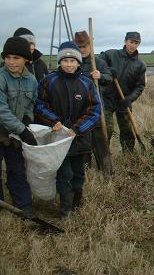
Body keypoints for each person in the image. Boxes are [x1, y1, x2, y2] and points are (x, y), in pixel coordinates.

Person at [35, 41, 100, 218]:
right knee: (65, 174)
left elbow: (94, 111)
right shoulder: (49, 81)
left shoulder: (87, 84)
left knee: (78, 173)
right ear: (60, 62)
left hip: (80, 139)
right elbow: (40, 104)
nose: (69, 65)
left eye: (73, 61)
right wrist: (53, 120)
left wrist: (77, 129)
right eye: (65, 61)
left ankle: (77, 203)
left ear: (79, 62)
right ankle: (66, 210)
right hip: (58, 139)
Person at [0, 36, 38, 214]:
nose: (11, 62)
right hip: (3, 131)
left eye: (16, 58)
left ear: (26, 60)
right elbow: (2, 110)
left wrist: (27, 120)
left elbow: (31, 104)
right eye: (8, 57)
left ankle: (24, 207)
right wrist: (22, 130)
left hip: (15, 134)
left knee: (17, 169)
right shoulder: (1, 78)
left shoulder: (31, 80)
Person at [74, 31, 113, 175]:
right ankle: (85, 172)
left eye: (85, 46)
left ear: (90, 45)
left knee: (101, 142)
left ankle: (107, 173)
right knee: (82, 143)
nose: (83, 49)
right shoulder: (73, 63)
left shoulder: (98, 63)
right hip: (79, 112)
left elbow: (109, 78)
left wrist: (100, 75)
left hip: (96, 110)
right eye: (80, 47)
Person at [100, 32, 146, 152]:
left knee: (126, 130)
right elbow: (98, 62)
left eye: (136, 43)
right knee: (107, 128)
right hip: (107, 98)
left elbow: (140, 86)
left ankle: (128, 154)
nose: (133, 45)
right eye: (131, 42)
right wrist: (108, 70)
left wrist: (129, 99)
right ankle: (104, 154)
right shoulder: (111, 54)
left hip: (124, 100)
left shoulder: (140, 65)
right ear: (125, 41)